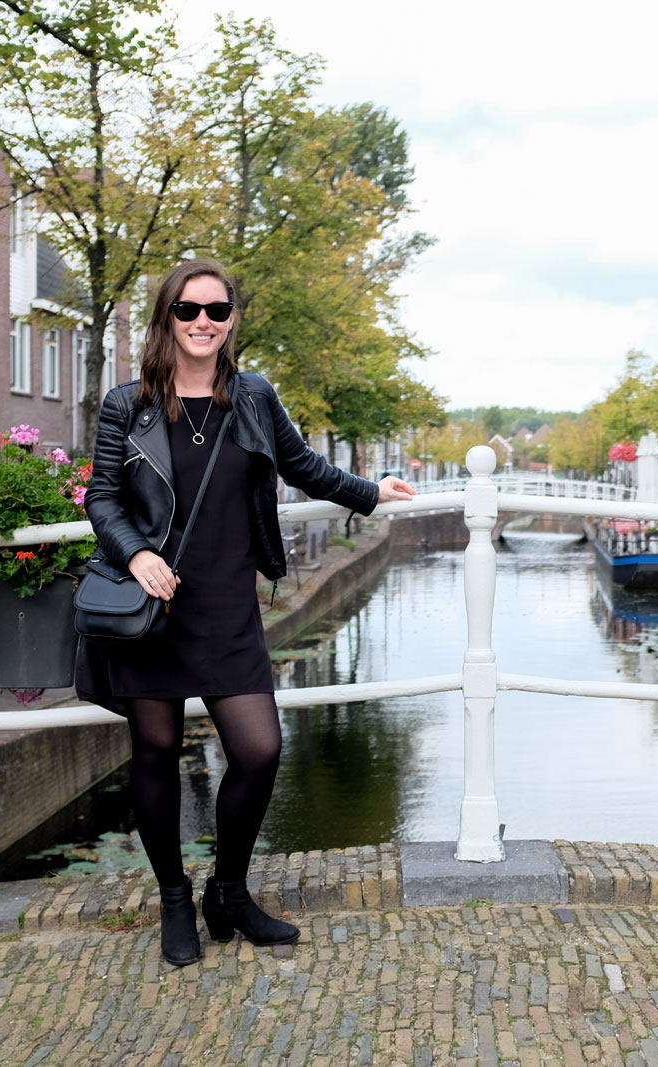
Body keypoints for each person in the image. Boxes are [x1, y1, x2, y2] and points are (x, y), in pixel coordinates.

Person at [77, 258, 415, 966]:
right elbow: (101, 498)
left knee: (260, 749)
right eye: (189, 310)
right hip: (154, 603)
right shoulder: (126, 403)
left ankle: (227, 890)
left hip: (228, 604)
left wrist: (371, 491)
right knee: (156, 752)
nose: (204, 321)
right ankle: (174, 895)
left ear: (232, 320)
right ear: (167, 317)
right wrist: (136, 553)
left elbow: (302, 466)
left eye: (218, 310)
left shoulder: (253, 396)